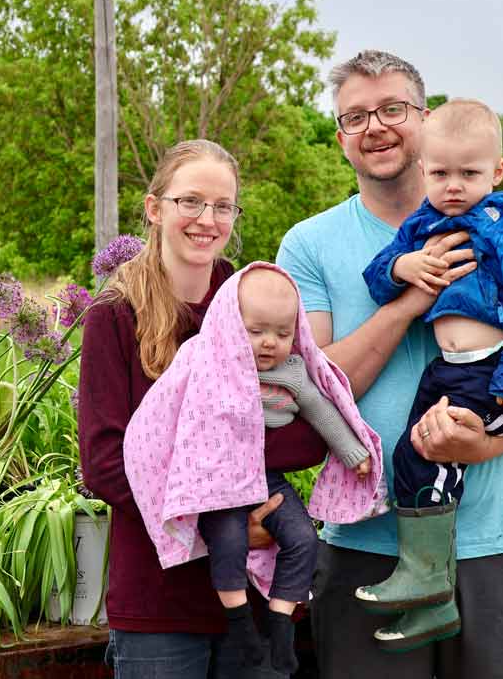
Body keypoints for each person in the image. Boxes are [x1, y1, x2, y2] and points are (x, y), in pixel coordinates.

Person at [276, 51, 503, 678]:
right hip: (367, 543)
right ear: (340, 136)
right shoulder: (309, 245)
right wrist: (412, 297)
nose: (375, 127)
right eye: (355, 116)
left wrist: (482, 447)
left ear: (425, 118)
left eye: (393, 108)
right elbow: (315, 388)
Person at [78, 139, 330, 679]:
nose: (207, 220)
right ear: (154, 208)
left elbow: (310, 429)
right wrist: (216, 525)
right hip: (159, 600)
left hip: (255, 594)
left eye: (222, 206)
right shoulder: (115, 315)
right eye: (190, 201)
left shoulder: (254, 302)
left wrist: (237, 506)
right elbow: (104, 464)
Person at [353, 99, 503, 650]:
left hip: (495, 372)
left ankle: (428, 581)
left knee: (433, 455)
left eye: (469, 174)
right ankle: (430, 595)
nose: (453, 186)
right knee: (410, 456)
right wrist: (402, 266)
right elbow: (377, 278)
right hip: (448, 371)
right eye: (441, 173)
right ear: (423, 168)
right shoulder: (423, 225)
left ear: (497, 172)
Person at [123, 264, 381, 675]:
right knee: (229, 542)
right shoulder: (209, 361)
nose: (269, 342)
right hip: (216, 483)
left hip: (264, 481)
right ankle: (241, 624)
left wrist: (354, 453)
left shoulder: (293, 371)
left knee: (303, 539)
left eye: (282, 333)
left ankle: (280, 625)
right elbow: (164, 419)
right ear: (232, 324)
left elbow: (320, 411)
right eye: (256, 331)